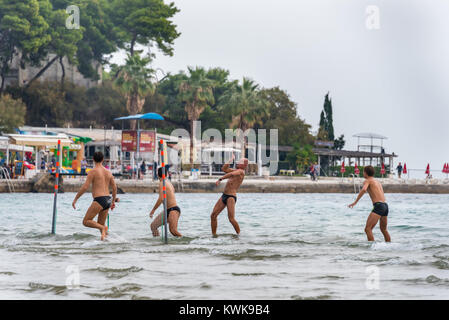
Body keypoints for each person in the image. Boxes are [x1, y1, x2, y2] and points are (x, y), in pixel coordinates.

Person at [72, 152, 117, 241]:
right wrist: (113, 202)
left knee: (86, 221)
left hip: (99, 199)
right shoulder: (108, 172)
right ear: (103, 159)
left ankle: (104, 229)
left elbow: (85, 187)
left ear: (93, 159)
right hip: (108, 199)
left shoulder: (92, 172)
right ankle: (107, 242)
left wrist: (75, 199)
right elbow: (115, 187)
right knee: (100, 225)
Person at [348, 165, 391, 242]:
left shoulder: (368, 180)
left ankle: (372, 248)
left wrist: (355, 202)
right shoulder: (377, 182)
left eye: (363, 172)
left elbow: (364, 190)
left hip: (378, 206)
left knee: (368, 229)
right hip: (385, 205)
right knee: (383, 229)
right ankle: (389, 245)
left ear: (366, 173)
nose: (363, 174)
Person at [210, 153, 248, 237]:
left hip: (231, 197)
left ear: (244, 165)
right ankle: (214, 235)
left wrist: (220, 179)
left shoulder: (241, 172)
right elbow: (224, 168)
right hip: (224, 195)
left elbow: (230, 174)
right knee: (213, 215)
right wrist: (230, 160)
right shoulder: (235, 170)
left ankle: (239, 235)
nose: (237, 163)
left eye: (240, 162)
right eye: (238, 161)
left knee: (231, 219)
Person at [149, 167, 182, 237]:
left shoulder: (162, 183)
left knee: (173, 231)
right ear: (166, 174)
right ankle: (157, 243)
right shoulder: (168, 183)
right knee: (153, 226)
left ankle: (186, 243)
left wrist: (153, 210)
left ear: (158, 175)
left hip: (173, 210)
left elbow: (161, 198)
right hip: (167, 210)